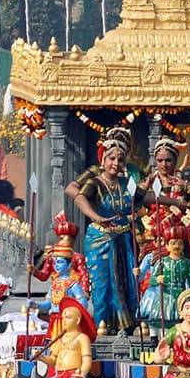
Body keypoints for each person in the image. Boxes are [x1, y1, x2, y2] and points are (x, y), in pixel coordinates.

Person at [68, 130, 144, 335]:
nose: (116, 163)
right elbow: (79, 198)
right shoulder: (94, 180)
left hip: (122, 238)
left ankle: (125, 325)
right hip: (99, 238)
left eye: (120, 159)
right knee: (102, 285)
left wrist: (176, 201)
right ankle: (100, 326)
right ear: (103, 159)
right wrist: (96, 216)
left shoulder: (125, 183)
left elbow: (143, 197)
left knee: (125, 280)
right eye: (112, 158)